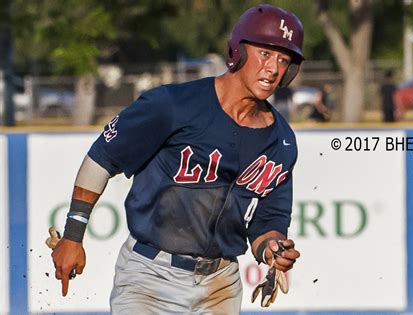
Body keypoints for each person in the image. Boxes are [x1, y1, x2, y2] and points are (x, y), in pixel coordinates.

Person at [50, 4, 303, 314]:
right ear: (237, 51)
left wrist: (272, 250)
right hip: (149, 276)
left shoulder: (282, 141)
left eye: (283, 59)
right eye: (265, 53)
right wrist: (73, 235)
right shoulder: (173, 105)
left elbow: (267, 222)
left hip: (220, 285)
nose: (273, 68)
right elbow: (102, 158)